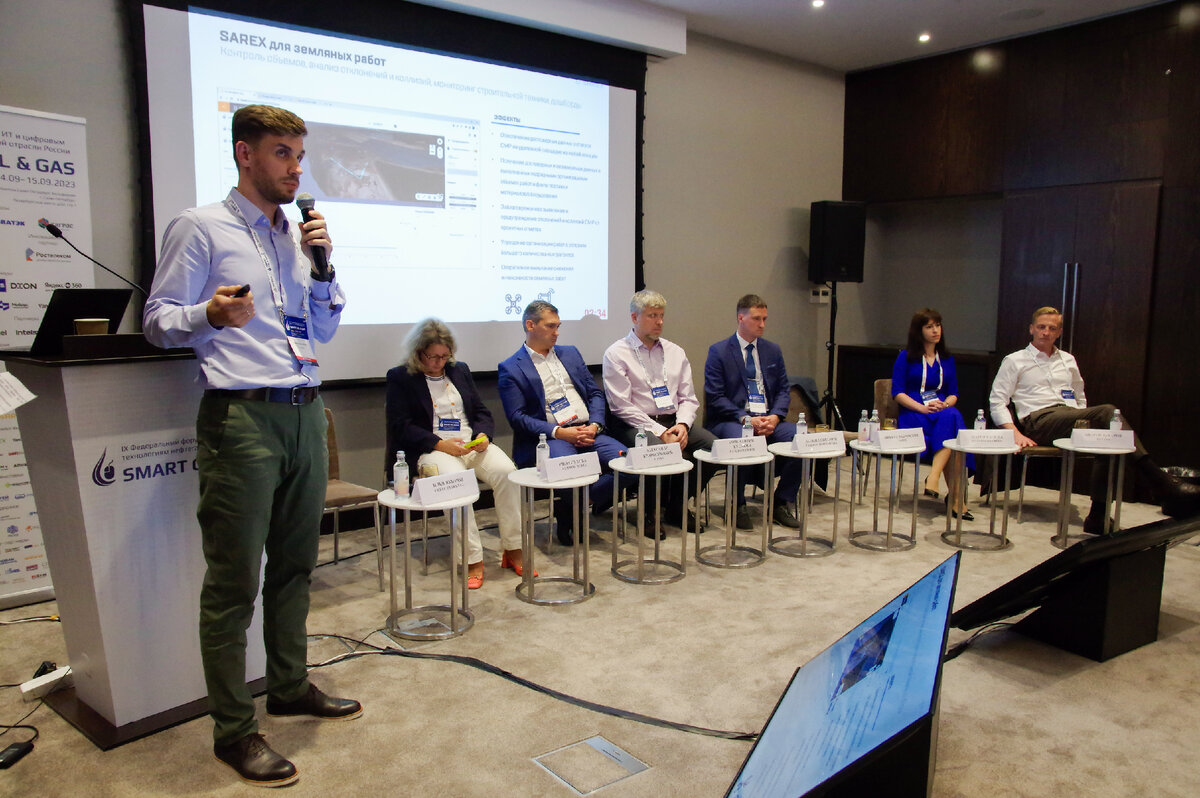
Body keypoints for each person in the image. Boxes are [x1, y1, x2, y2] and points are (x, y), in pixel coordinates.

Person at [143, 105, 360, 787]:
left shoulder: (298, 240)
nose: (296, 168)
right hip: (241, 418)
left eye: (300, 154)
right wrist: (208, 313)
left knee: (296, 567)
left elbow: (323, 329)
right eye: (282, 153)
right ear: (245, 154)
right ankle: (234, 730)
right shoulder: (200, 226)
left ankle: (289, 686)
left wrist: (323, 266)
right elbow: (156, 321)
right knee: (235, 582)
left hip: (305, 412)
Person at [989, 306, 1200, 531]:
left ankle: (1098, 516)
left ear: (1059, 332)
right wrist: (1014, 432)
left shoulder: (1068, 360)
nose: (1046, 332)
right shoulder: (1015, 360)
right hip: (1039, 421)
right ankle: (1160, 481)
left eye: (1052, 328)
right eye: (1041, 327)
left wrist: (1083, 422)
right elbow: (997, 400)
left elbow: (1079, 396)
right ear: (1031, 329)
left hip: (1070, 417)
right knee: (1107, 412)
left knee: (1107, 441)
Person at [386, 318, 530, 588]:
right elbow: (401, 426)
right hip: (431, 449)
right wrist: (440, 444)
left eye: (445, 356)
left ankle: (514, 548)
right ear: (418, 352)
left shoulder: (459, 370)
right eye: (433, 357)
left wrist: (483, 435)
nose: (439, 362)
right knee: (457, 482)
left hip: (469, 444)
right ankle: (471, 558)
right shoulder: (401, 377)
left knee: (507, 472)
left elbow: (480, 411)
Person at [497, 301, 624, 544]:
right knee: (570, 471)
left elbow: (595, 394)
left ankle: (574, 505)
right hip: (553, 437)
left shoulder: (570, 353)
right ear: (530, 325)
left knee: (627, 464)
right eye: (550, 326)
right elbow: (518, 417)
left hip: (588, 429)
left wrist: (595, 425)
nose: (556, 332)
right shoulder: (511, 367)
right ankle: (574, 506)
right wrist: (560, 432)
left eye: (558, 326)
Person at [603, 289, 716, 529]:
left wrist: (682, 425)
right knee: (659, 451)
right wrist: (659, 432)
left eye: (662, 315)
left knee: (712, 448)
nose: (660, 322)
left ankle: (677, 507)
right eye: (652, 315)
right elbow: (621, 406)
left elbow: (688, 397)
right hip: (635, 424)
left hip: (673, 420)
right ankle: (648, 513)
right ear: (635, 318)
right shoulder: (616, 353)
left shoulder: (676, 352)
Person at [703, 294, 802, 529]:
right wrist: (746, 419)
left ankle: (781, 501)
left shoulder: (772, 350)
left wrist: (775, 416)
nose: (762, 324)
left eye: (765, 319)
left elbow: (783, 389)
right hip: (732, 419)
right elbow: (715, 397)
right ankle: (736, 504)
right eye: (756, 319)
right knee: (743, 439)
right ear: (741, 318)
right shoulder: (719, 351)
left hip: (767, 417)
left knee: (800, 438)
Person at [891, 308, 974, 520]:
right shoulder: (905, 357)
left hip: (940, 410)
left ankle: (934, 477)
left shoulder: (946, 359)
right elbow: (897, 392)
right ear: (919, 331)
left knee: (951, 415)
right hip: (914, 412)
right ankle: (956, 500)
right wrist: (922, 408)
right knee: (954, 429)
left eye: (938, 325)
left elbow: (954, 393)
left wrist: (944, 404)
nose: (935, 330)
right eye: (929, 327)